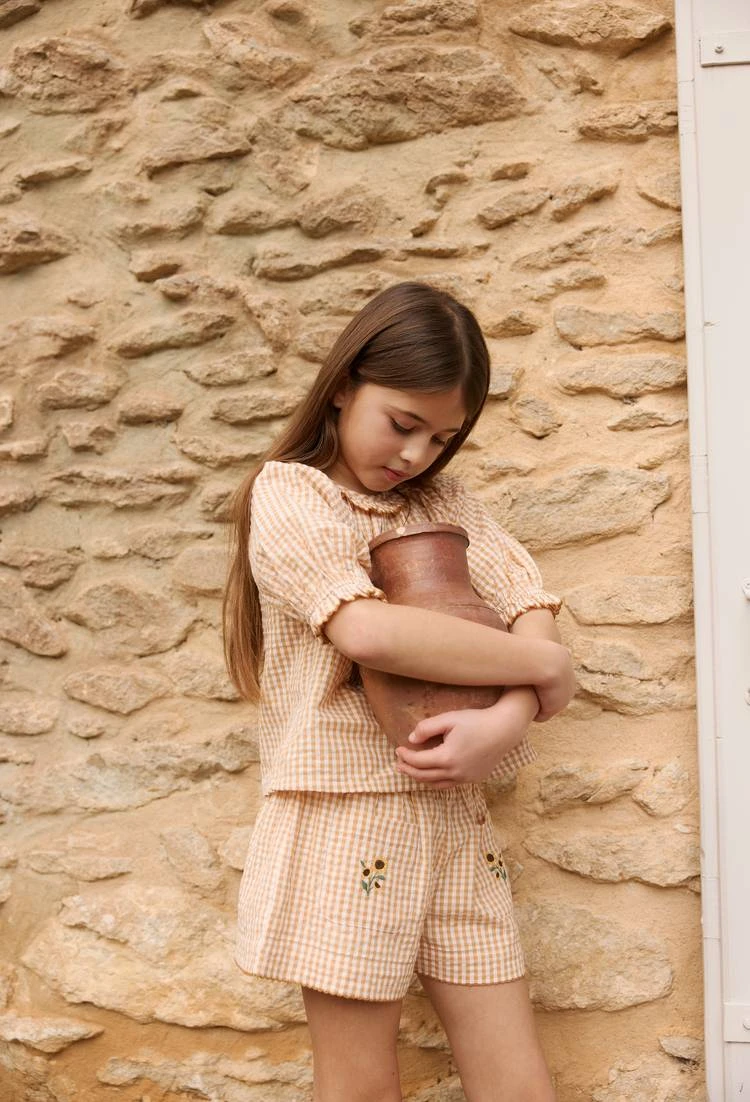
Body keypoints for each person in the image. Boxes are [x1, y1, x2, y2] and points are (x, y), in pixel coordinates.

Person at [223, 281, 575, 1102]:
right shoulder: (291, 492)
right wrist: (544, 671)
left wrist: (512, 715)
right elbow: (368, 633)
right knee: (359, 1088)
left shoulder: (444, 503)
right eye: (403, 423)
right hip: (341, 815)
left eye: (442, 437)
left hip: (456, 817)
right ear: (344, 385)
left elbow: (530, 606)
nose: (417, 455)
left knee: (517, 1082)